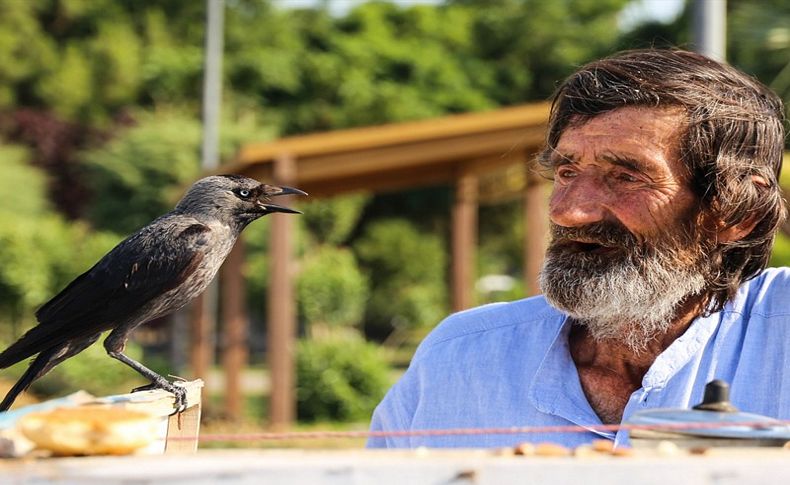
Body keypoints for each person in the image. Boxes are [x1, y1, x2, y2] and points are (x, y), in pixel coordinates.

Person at [367, 49, 789, 449]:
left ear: (734, 214)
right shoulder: (460, 357)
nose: (569, 212)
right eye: (566, 172)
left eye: (626, 177)